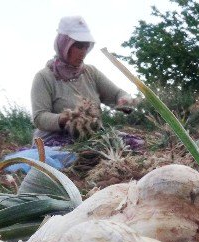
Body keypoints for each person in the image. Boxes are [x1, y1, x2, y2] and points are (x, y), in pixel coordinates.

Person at [31, 16, 139, 147]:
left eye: (86, 46)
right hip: (55, 142)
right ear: (64, 45)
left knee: (133, 145)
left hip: (91, 138)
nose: (83, 52)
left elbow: (117, 94)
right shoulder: (44, 77)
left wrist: (124, 100)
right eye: (78, 46)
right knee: (73, 158)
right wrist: (64, 118)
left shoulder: (91, 72)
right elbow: (39, 117)